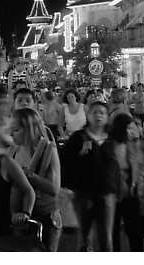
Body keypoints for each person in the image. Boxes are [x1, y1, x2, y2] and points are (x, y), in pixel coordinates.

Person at [60, 102, 120, 251]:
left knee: (106, 238)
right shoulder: (79, 137)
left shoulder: (111, 138)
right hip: (83, 192)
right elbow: (64, 159)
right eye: (95, 112)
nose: (98, 116)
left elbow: (116, 165)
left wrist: (118, 188)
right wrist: (80, 153)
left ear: (107, 117)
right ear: (88, 115)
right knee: (85, 238)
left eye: (102, 113)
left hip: (106, 192)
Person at [7, 108, 62, 251]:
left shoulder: (48, 151)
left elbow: (54, 188)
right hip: (20, 217)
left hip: (45, 217)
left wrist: (29, 175)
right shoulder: (13, 150)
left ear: (30, 130)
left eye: (16, 130)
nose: (11, 134)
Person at [109, 114, 144, 252]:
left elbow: (139, 167)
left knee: (135, 231)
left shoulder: (134, 144)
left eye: (132, 127)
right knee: (113, 232)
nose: (131, 131)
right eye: (128, 128)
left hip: (131, 194)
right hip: (113, 194)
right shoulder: (110, 145)